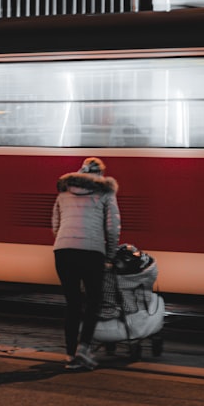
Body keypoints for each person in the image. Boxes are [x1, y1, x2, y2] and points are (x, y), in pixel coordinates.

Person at [52, 156, 121, 370]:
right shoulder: (105, 193)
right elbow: (112, 227)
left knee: (72, 303)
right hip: (92, 252)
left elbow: (56, 224)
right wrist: (109, 254)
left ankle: (70, 354)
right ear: (100, 174)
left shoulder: (63, 193)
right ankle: (84, 349)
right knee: (93, 301)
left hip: (63, 251)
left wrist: (66, 240)